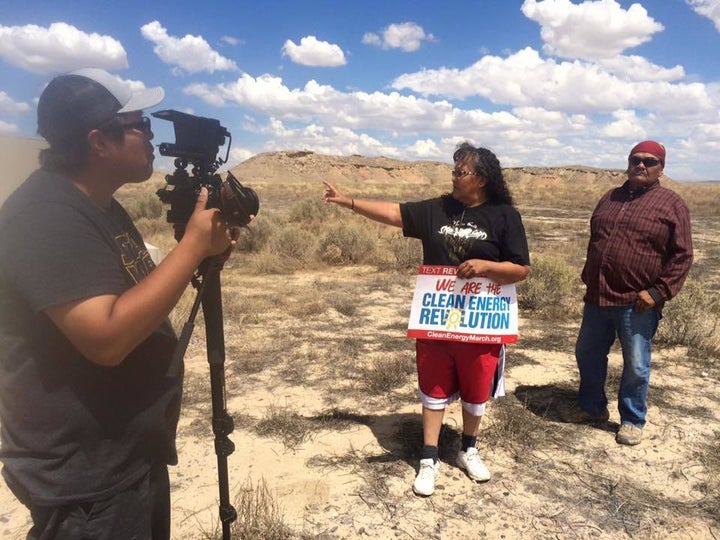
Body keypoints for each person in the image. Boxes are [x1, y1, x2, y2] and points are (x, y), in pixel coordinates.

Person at [0, 68, 236, 539]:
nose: (151, 135)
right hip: (86, 479)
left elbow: (129, 298)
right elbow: (106, 338)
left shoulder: (96, 204)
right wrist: (191, 247)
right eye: (138, 124)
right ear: (98, 142)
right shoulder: (44, 217)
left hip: (122, 457)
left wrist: (202, 249)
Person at [323, 142, 530, 496]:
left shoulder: (504, 216)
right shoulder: (437, 210)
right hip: (437, 317)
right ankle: (429, 458)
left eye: (459, 172)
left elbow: (520, 269)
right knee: (433, 388)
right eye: (454, 171)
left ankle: (468, 449)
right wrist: (349, 202)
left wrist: (487, 267)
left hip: (480, 322)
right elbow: (394, 213)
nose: (453, 177)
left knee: (476, 389)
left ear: (480, 179)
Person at [569, 140, 693, 446]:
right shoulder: (610, 197)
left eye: (650, 161)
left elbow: (683, 255)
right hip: (598, 297)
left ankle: (632, 419)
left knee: (636, 364)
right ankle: (592, 407)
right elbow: (596, 238)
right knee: (587, 353)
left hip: (637, 302)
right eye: (636, 159)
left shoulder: (671, 204)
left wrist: (658, 291)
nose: (641, 165)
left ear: (661, 168)